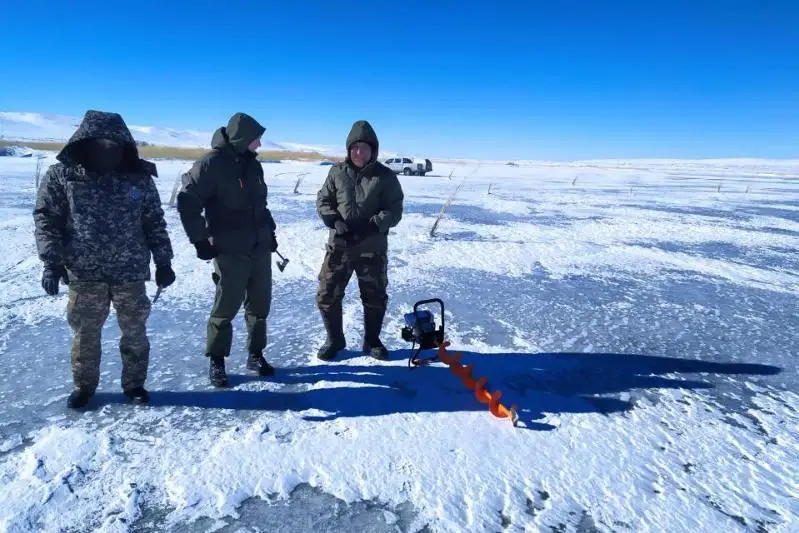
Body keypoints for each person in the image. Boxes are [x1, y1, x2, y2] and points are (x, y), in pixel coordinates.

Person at [32, 109, 175, 409]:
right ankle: (84, 388)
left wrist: (164, 261)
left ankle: (135, 385)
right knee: (85, 336)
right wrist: (51, 262)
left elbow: (154, 221)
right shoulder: (63, 175)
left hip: (130, 272)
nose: (107, 149)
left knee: (135, 334)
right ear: (84, 141)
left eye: (114, 143)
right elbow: (47, 219)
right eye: (100, 143)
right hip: (84, 273)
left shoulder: (139, 177)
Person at [176, 112, 277, 387]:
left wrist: (271, 233)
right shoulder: (210, 164)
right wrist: (199, 240)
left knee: (260, 304)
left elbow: (261, 205)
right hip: (229, 247)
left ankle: (256, 355)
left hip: (259, 246)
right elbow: (187, 201)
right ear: (242, 138)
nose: (259, 144)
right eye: (256, 139)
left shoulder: (254, 166)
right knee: (226, 304)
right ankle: (217, 360)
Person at [315, 120, 404, 361]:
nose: (358, 152)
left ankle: (372, 341)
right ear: (348, 149)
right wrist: (333, 220)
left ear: (373, 150)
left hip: (371, 249)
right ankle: (334, 339)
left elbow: (394, 210)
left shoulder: (385, 177)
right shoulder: (336, 172)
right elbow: (323, 199)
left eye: (364, 148)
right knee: (327, 294)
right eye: (354, 147)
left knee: (375, 296)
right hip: (340, 247)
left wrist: (373, 224)